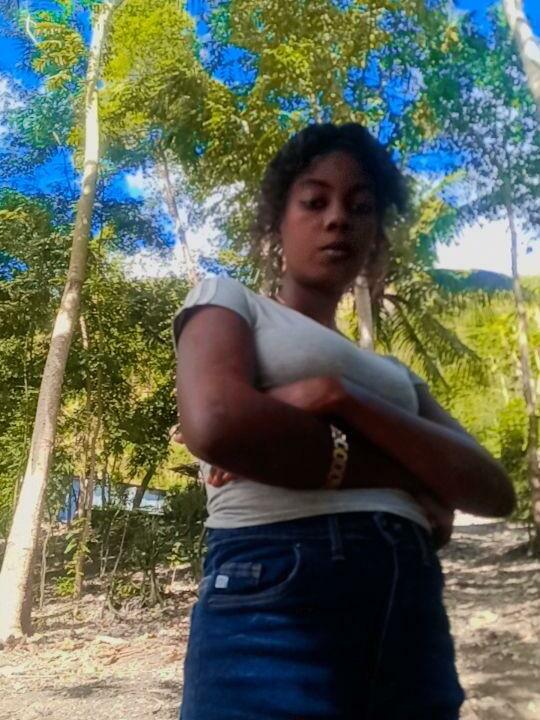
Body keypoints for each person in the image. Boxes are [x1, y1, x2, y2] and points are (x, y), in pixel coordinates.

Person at [172, 123, 515, 720]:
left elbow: (491, 489)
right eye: (315, 201)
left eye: (361, 207)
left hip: (408, 603)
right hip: (276, 586)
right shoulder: (229, 300)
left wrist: (336, 397)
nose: (338, 220)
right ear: (277, 222)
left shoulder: (393, 374)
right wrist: (412, 479)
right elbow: (218, 423)